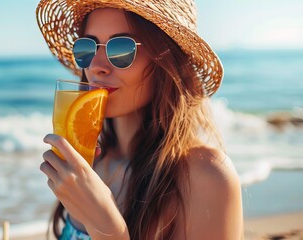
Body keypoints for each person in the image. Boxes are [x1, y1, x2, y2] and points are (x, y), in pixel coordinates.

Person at [36, 0, 243, 239]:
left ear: (166, 60)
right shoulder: (90, 165)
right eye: (87, 47)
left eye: (121, 49)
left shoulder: (207, 177)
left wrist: (110, 230)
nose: (96, 65)